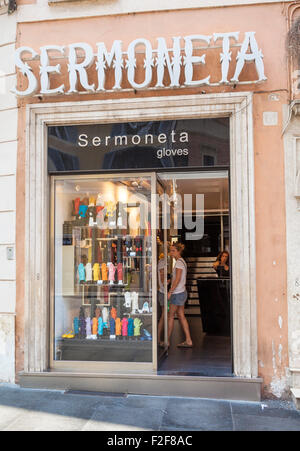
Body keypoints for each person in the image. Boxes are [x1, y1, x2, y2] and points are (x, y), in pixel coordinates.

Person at [167, 243, 193, 348]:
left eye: (173, 251)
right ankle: (188, 340)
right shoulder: (182, 262)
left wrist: (170, 291)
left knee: (170, 316)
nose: (171, 253)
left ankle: (167, 341)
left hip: (177, 293)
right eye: (170, 250)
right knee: (181, 316)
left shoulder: (178, 263)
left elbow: (177, 279)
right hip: (182, 292)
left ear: (178, 251)